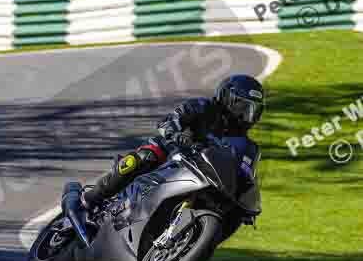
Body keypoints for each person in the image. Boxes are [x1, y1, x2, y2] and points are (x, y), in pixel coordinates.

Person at [75, 75, 264, 216]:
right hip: (175, 154)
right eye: (242, 107)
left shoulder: (243, 143)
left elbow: (245, 170)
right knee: (147, 155)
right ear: (226, 97)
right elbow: (170, 121)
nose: (245, 116)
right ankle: (92, 197)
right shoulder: (202, 107)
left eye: (251, 111)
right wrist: (177, 134)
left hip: (204, 175)